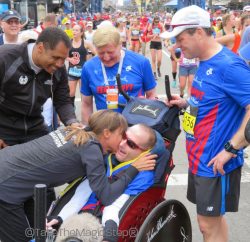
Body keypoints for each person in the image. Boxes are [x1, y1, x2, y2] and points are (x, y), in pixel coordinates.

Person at [160, 5, 250, 242]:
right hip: (198, 156)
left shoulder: (229, 66)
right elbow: (211, 98)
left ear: (198, 32)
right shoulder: (204, 59)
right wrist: (186, 102)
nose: (177, 46)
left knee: (207, 225)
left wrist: (231, 149)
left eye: (180, 39)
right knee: (213, 222)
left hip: (215, 162)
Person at [0, 110, 157, 242]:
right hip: (6, 189)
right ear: (107, 133)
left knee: (36, 233)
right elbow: (106, 196)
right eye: (122, 136)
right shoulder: (91, 150)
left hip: (9, 170)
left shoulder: (72, 131)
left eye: (129, 142)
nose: (122, 142)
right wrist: (134, 168)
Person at [81, 26, 156, 124]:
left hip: (136, 127)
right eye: (101, 53)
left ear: (120, 45)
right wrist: (88, 133)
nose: (106, 57)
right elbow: (86, 104)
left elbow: (152, 95)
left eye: (110, 52)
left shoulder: (141, 62)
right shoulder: (88, 67)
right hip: (105, 128)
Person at [67, 24, 96, 107]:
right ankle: (71, 111)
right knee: (71, 93)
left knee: (83, 93)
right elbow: (63, 55)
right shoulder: (68, 43)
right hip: (72, 71)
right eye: (73, 30)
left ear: (81, 33)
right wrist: (70, 59)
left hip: (83, 72)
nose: (74, 32)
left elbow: (96, 53)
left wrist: (90, 64)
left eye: (76, 30)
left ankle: (84, 109)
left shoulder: (86, 43)